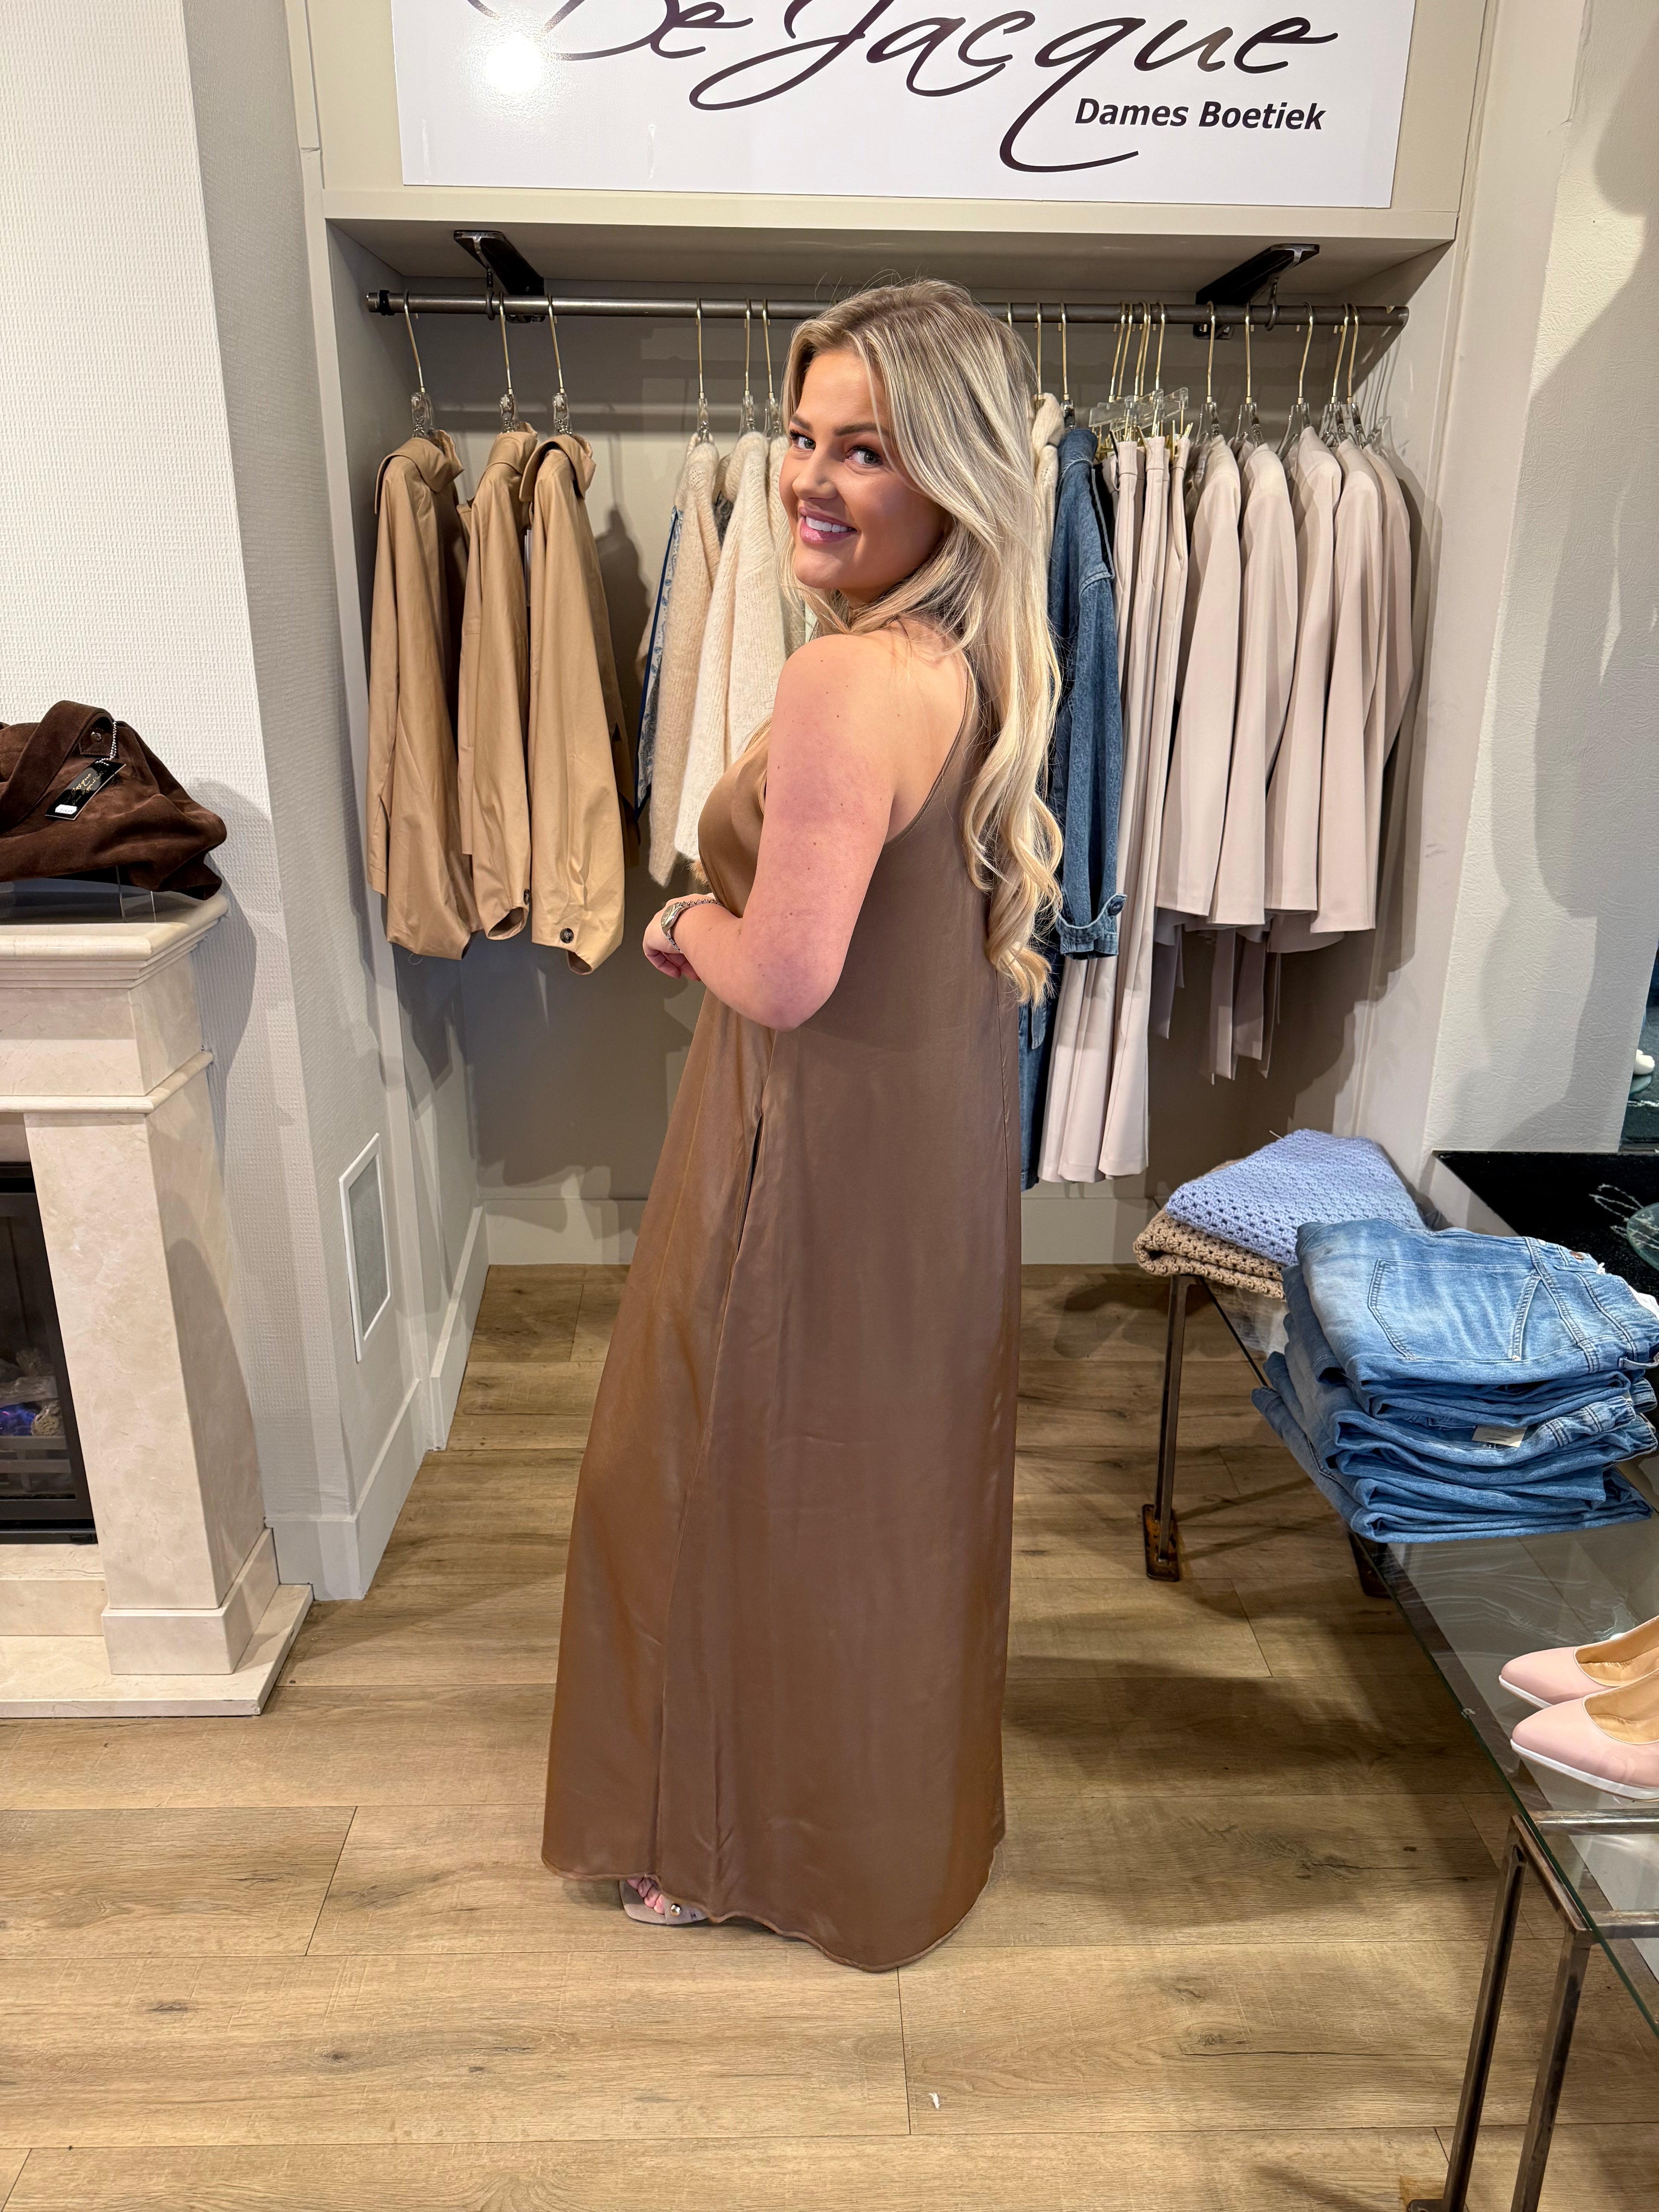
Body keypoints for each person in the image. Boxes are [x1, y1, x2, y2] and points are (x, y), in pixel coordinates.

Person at [541, 280, 1061, 1971]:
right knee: (882, 1486)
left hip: (811, 1144)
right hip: (919, 1143)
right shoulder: (964, 659)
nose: (809, 480)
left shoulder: (848, 677)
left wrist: (685, 920)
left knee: (704, 1472)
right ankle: (879, 1829)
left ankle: (723, 1840)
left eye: (866, 450)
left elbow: (782, 975)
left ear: (955, 477)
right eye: (799, 435)